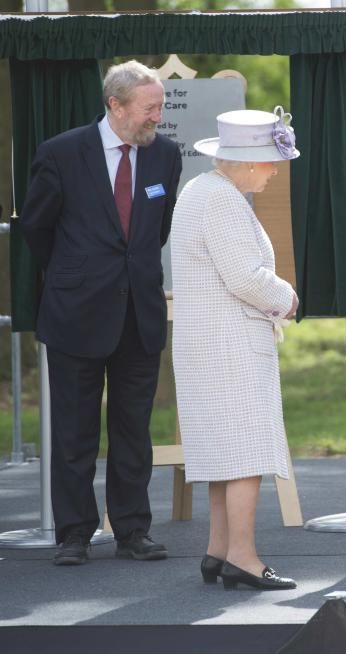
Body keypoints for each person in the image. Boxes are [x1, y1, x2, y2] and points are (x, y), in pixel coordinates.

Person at [20, 60, 182, 566]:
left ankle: (133, 529)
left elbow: (157, 231)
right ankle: (74, 534)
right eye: (150, 107)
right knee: (74, 429)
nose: (158, 115)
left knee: (134, 428)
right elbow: (37, 229)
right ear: (116, 105)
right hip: (76, 312)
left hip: (139, 312)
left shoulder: (166, 156)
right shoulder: (61, 153)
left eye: (159, 106)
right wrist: (79, 273)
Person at [171, 107, 299, 590]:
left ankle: (219, 550)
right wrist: (288, 298)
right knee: (246, 452)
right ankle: (243, 557)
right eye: (270, 160)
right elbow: (244, 276)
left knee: (227, 450)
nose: (274, 169)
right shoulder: (221, 199)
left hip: (211, 343)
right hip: (229, 345)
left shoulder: (200, 191)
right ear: (246, 161)